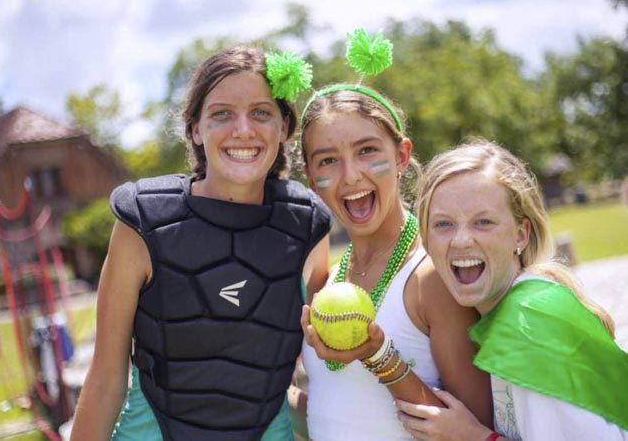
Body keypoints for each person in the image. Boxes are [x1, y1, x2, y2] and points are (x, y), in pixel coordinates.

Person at [70, 46, 331, 441]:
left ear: (284, 127)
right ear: (195, 128)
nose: (243, 129)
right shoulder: (143, 223)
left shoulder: (307, 225)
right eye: (221, 114)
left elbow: (318, 373)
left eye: (261, 112)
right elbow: (106, 380)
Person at [297, 84, 493, 441]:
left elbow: (473, 429)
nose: (351, 175)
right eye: (327, 160)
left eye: (367, 151)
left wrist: (379, 356)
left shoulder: (430, 274)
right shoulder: (329, 280)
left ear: (402, 156)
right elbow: (336, 411)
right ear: (311, 179)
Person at [397, 139, 628, 441]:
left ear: (520, 234)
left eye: (483, 222)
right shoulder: (519, 306)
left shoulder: (529, 321)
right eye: (443, 224)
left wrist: (472, 436)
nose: (462, 240)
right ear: (425, 239)